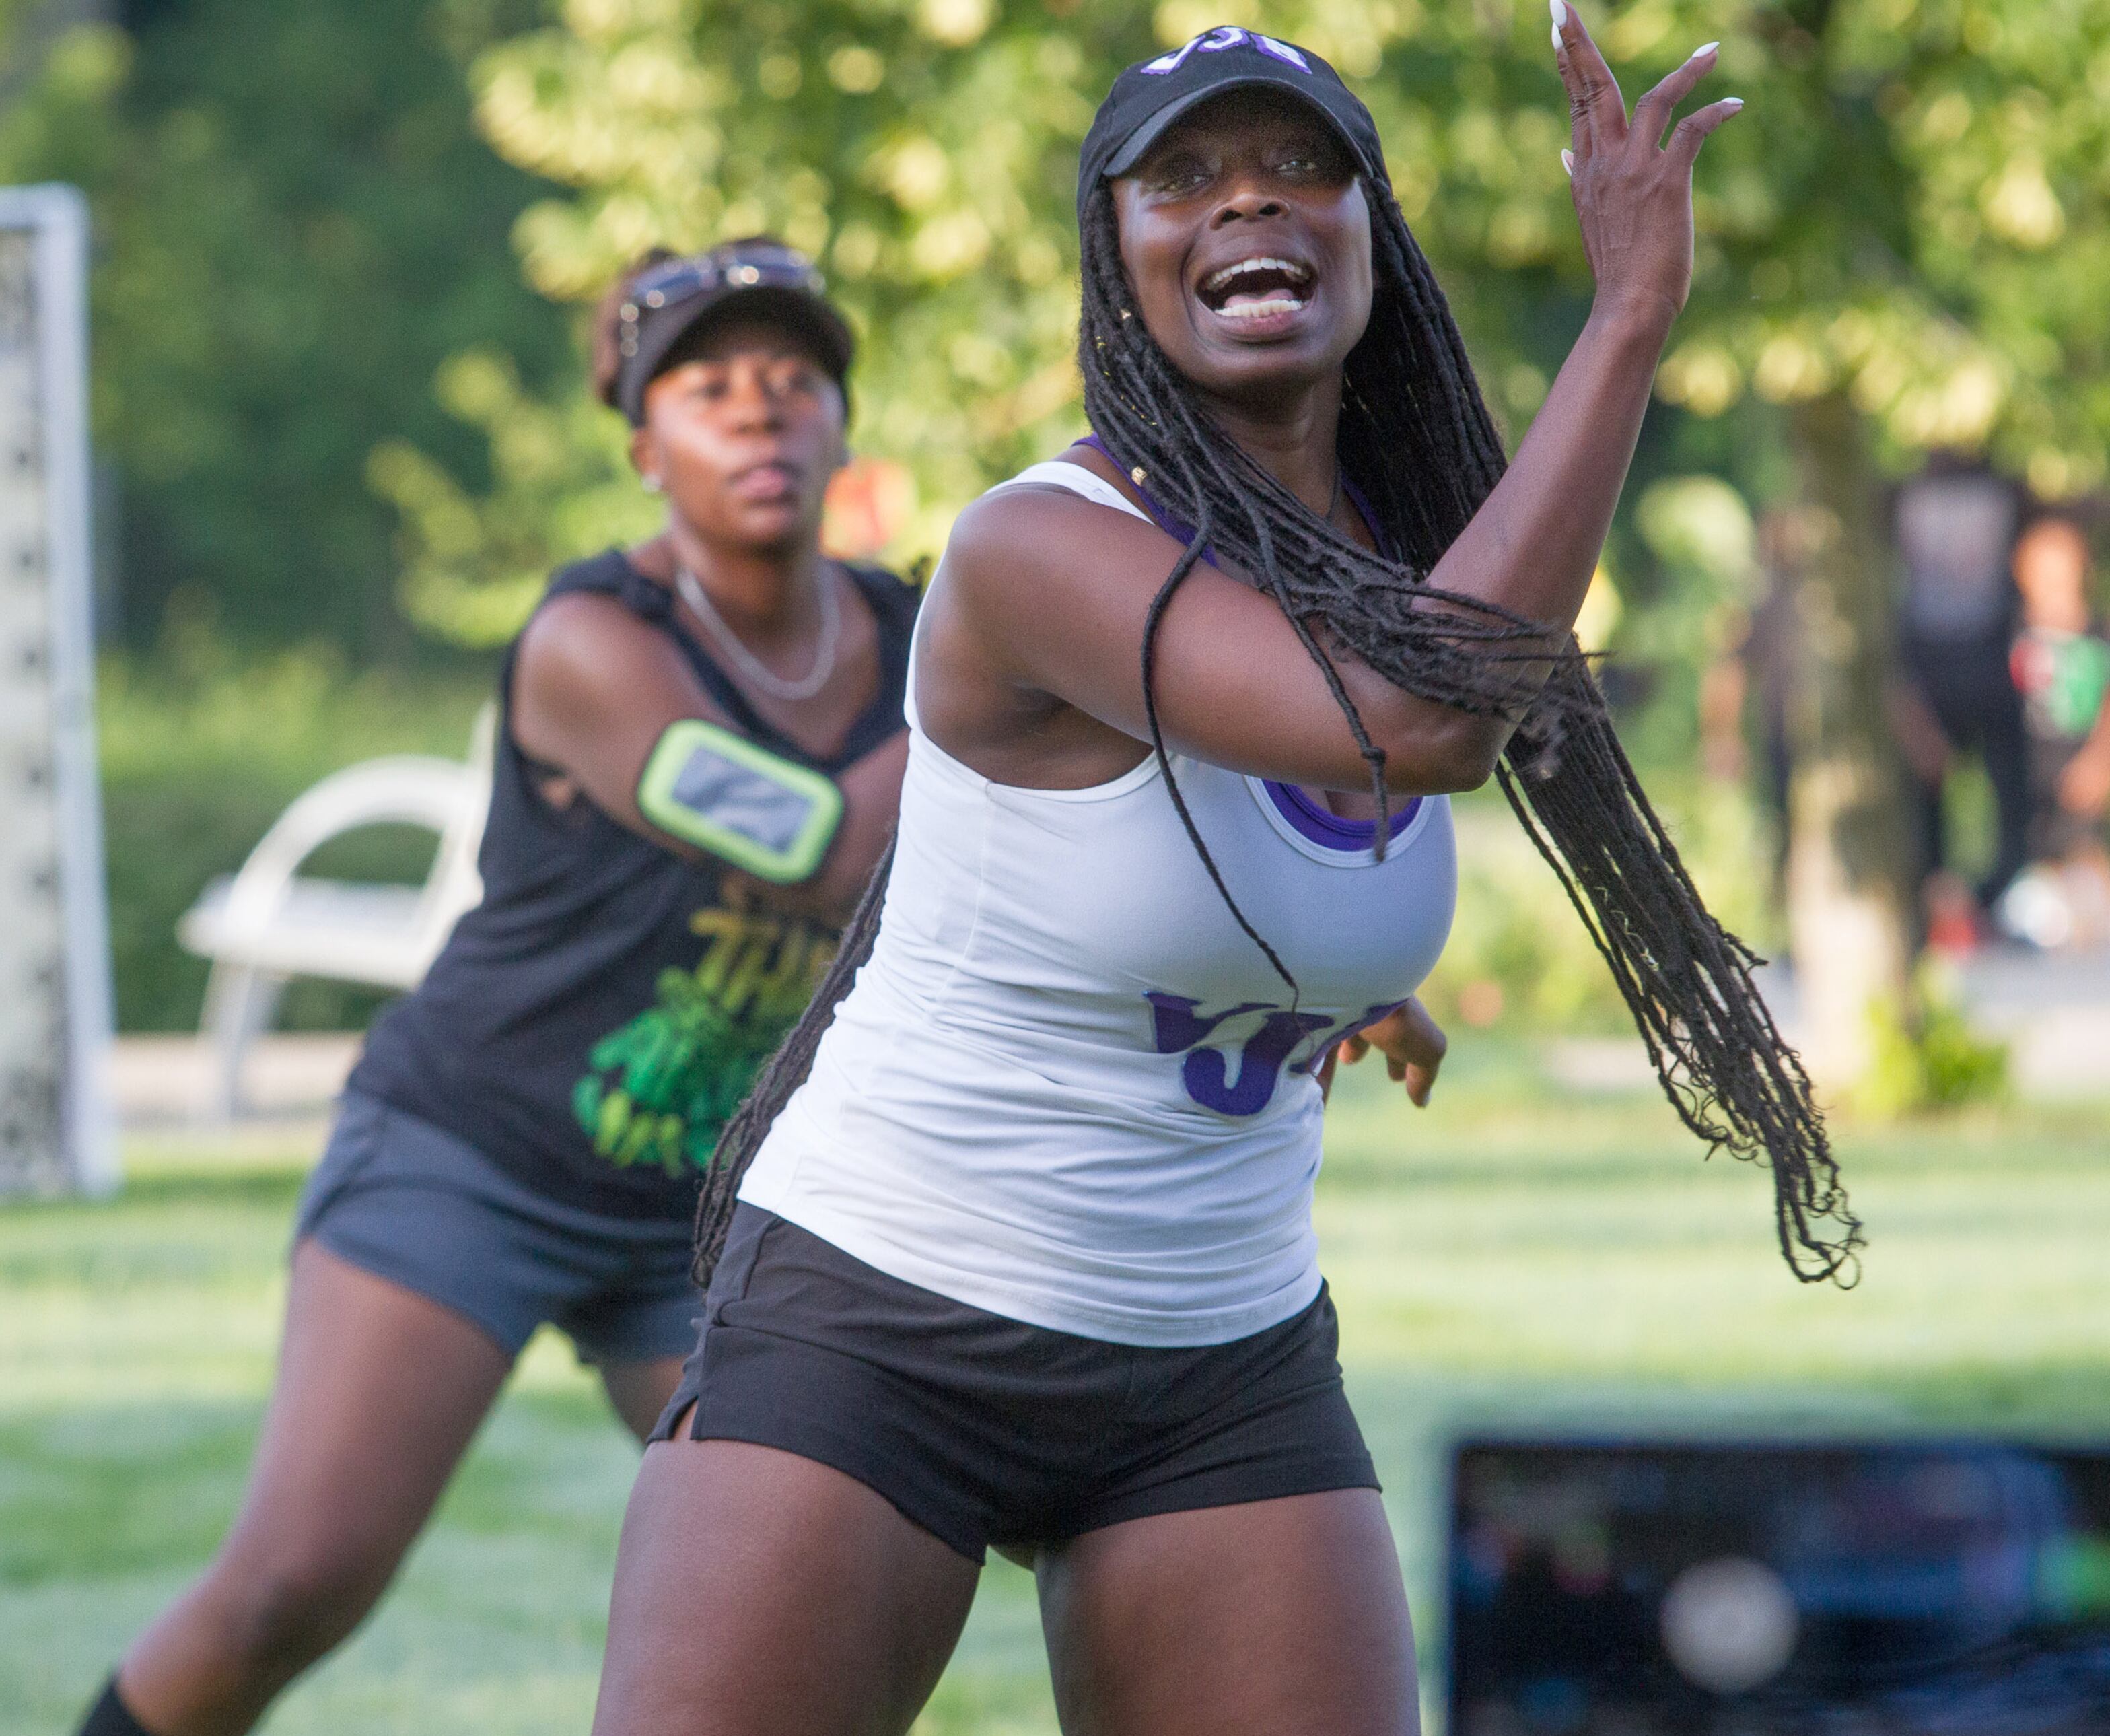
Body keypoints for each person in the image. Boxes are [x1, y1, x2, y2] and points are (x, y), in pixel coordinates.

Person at [589, 13, 1854, 1736]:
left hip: (1216, 1360)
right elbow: (1412, 722)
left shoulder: (1406, 551)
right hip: (884, 1314)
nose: (1245, 202)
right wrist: (1626, 314)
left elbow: (1243, 816)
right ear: (1115, 261)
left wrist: (1334, 981)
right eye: (1179, 178)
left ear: (1366, 236)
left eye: (1298, 167)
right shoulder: (1034, 543)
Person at [73, 240, 916, 1736]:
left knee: (823, 1594)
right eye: (712, 389)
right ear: (644, 446)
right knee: (294, 1583)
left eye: (797, 383)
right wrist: (1015, 713)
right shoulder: (592, 642)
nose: (762, 415)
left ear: (844, 422)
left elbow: (1081, 855)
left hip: (711, 1211)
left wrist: (1306, 974)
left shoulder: (926, 646)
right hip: (476, 1156)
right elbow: (813, 844)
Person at [1888, 454, 2033, 932]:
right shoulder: (1905, 496)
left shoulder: (2002, 490)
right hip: (1927, 664)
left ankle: (1991, 900)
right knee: (1925, 794)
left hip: (1989, 661)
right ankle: (1938, 904)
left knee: (2010, 790)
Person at [2000, 512, 2110, 946]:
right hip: (2027, 793)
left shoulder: (2099, 631)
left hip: (2085, 787)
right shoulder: (2009, 632)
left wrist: (2100, 761)